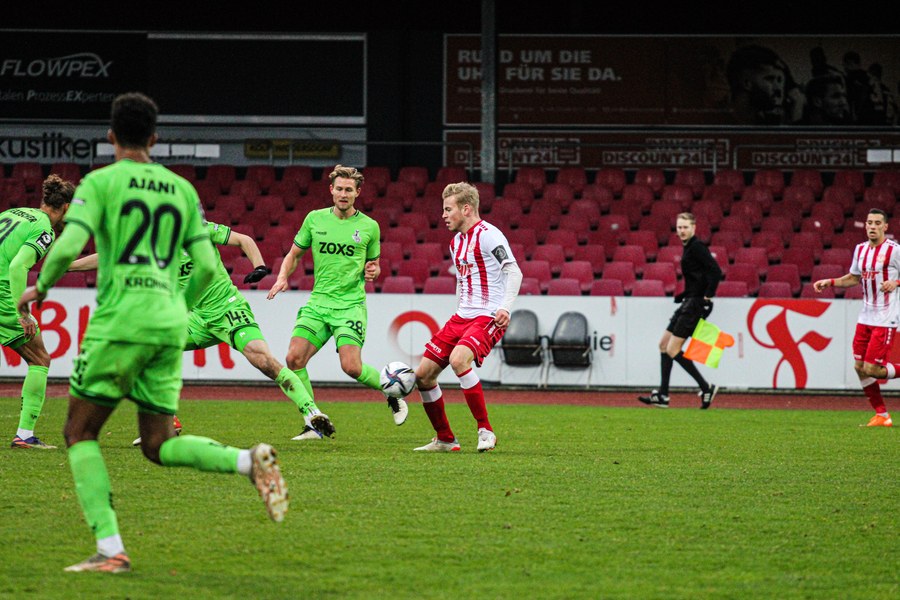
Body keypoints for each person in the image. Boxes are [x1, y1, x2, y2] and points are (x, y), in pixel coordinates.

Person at [17, 92, 287, 574]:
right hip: (166, 324)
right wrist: (176, 307)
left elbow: (69, 246)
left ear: (111, 137)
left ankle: (111, 549)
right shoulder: (180, 190)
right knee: (158, 443)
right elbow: (208, 265)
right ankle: (248, 462)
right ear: (155, 139)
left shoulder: (100, 183)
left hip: (120, 321)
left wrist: (40, 288)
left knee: (79, 431)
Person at [69, 220, 336, 444]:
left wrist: (259, 266)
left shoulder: (199, 228)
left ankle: (311, 413)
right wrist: (67, 265)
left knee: (264, 360)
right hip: (195, 318)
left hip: (228, 308)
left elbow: (244, 240)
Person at [267, 164, 401, 438]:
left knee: (351, 367)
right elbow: (293, 254)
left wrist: (374, 271)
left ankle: (391, 392)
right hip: (318, 303)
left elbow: (374, 265)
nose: (343, 194)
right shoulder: (315, 219)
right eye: (339, 189)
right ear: (331, 190)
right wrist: (282, 277)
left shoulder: (369, 227)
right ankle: (312, 421)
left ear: (357, 192)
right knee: (293, 359)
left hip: (350, 305)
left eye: (349, 190)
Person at [411, 182, 522, 452]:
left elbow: (514, 271)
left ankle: (486, 431)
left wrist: (505, 308)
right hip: (462, 317)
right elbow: (463, 281)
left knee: (459, 359)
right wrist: (459, 309)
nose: (443, 215)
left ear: (467, 209)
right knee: (423, 375)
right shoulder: (456, 242)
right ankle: (445, 439)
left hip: (488, 315)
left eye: (448, 209)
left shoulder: (489, 235)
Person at [813, 209, 899, 427]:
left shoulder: (894, 250)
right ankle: (882, 415)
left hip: (885, 317)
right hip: (865, 317)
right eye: (869, 222)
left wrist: (896, 282)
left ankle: (882, 414)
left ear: (885, 227)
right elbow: (853, 278)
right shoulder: (860, 249)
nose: (872, 227)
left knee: (872, 369)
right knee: (859, 367)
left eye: (877, 223)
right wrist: (830, 282)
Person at [6, 174, 74, 449]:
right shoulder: (44, 228)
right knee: (40, 359)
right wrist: (22, 312)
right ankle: (24, 435)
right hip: (3, 294)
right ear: (66, 207)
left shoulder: (13, 213)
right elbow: (17, 266)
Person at [639, 212, 722, 409]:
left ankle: (706, 387)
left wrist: (708, 297)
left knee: (672, 349)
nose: (682, 231)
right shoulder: (689, 248)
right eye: (679, 227)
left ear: (693, 228)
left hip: (694, 305)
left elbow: (715, 271)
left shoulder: (697, 247)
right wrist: (684, 294)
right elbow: (698, 278)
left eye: (685, 227)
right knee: (663, 345)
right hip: (688, 301)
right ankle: (663, 396)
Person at [725, 44, 805, 125]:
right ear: (746, 83)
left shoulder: (771, 121)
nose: (778, 89)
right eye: (770, 79)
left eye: (779, 80)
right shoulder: (722, 121)